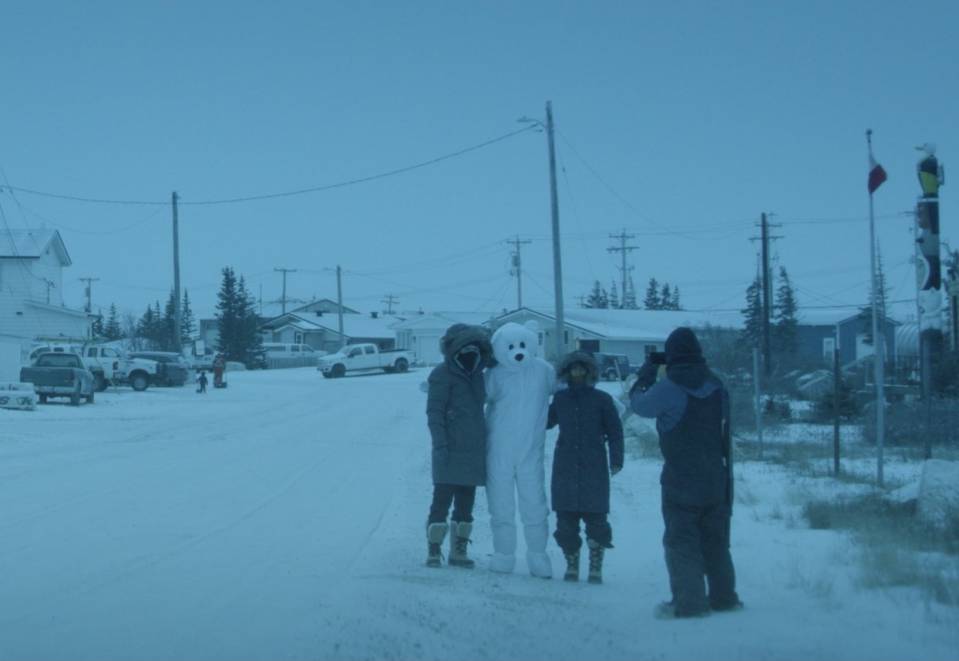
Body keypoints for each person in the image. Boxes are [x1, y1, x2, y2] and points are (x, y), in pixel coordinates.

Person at [629, 327, 742, 618]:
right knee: (716, 540)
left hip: (681, 478)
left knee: (681, 540)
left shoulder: (670, 387)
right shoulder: (717, 384)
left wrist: (646, 374)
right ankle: (724, 598)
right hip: (716, 475)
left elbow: (639, 405)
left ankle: (689, 604)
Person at [547, 351, 624, 584]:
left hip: (594, 465)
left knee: (597, 520)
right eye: (573, 369)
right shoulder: (561, 399)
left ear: (590, 372)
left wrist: (616, 459)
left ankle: (595, 566)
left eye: (582, 369)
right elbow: (545, 422)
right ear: (567, 373)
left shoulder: (602, 399)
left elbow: (615, 432)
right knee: (565, 521)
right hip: (565, 465)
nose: (577, 373)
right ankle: (571, 564)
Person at [425, 324, 493, 568]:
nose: (470, 352)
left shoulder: (479, 375)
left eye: (475, 347)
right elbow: (434, 413)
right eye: (466, 347)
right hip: (449, 449)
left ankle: (458, 551)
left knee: (466, 505)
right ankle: (434, 550)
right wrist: (440, 445)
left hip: (474, 451)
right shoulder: (441, 375)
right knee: (441, 502)